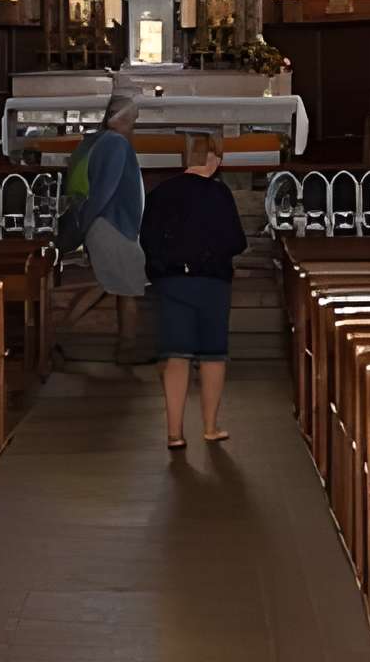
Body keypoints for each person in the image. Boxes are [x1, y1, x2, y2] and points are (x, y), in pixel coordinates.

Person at [143, 131, 246, 449]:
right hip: (212, 282)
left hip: (173, 281)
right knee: (213, 354)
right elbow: (236, 241)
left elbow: (147, 238)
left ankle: (174, 432)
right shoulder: (219, 194)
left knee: (176, 355)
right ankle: (210, 427)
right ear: (213, 159)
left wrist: (163, 268)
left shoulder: (162, 192)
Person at [59, 94, 147, 364]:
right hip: (112, 223)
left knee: (116, 286)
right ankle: (55, 336)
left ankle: (124, 348)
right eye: (131, 121)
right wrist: (88, 224)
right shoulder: (117, 144)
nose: (133, 127)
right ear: (119, 119)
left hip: (104, 223)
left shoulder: (93, 142)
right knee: (122, 287)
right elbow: (104, 190)